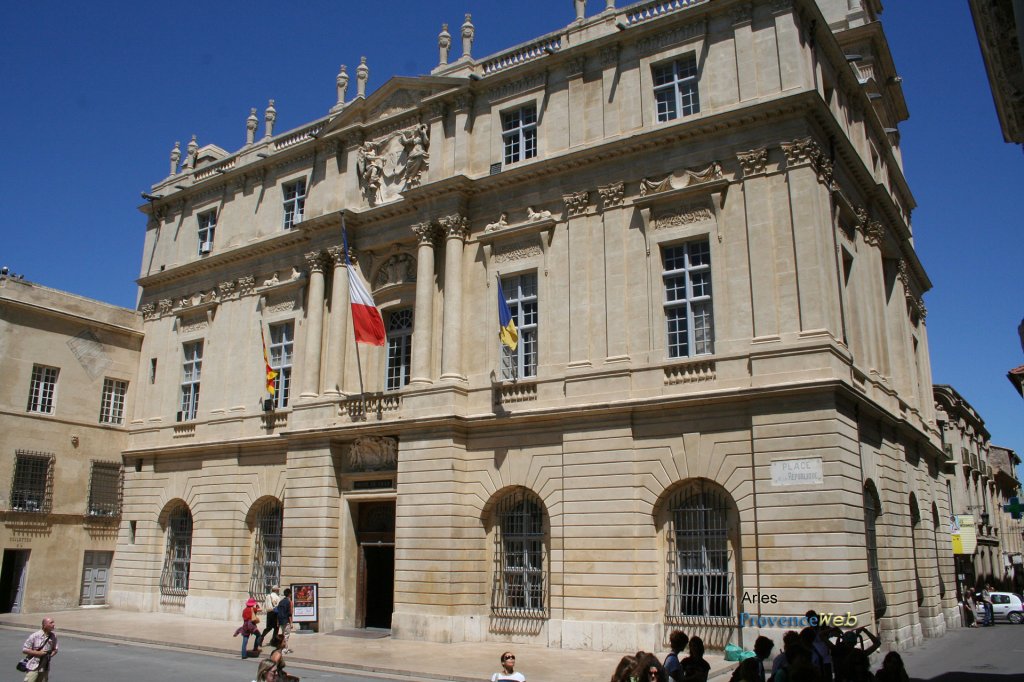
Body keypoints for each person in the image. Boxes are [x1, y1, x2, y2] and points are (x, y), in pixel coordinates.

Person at [20, 617, 57, 682]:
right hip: (33, 666)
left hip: (45, 667)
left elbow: (55, 649)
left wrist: (49, 655)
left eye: (53, 622)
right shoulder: (35, 636)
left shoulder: (53, 636)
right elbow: (25, 649)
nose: (53, 624)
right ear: (44, 625)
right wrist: (38, 653)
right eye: (51, 623)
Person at [277, 588, 294, 654]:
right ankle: (284, 649)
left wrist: (278, 622)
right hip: (286, 620)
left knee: (283, 634)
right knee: (286, 635)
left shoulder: (281, 602)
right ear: (289, 594)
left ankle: (285, 647)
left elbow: (278, 612)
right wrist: (291, 622)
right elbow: (289, 613)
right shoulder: (289, 602)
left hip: (281, 620)